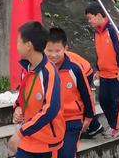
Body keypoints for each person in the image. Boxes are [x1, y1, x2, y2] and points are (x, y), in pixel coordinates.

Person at [9, 21, 65, 158]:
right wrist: (18, 107)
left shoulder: (49, 72)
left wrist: (20, 132)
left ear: (28, 46)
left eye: (18, 42)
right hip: (28, 139)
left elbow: (51, 108)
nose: (16, 46)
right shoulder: (27, 68)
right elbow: (23, 96)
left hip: (46, 143)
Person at [44, 27, 95, 158]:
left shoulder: (75, 68)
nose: (53, 55)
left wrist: (89, 116)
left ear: (65, 48)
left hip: (72, 118)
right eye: (49, 51)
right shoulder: (41, 69)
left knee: (66, 153)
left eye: (57, 51)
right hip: (49, 119)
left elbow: (86, 93)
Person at [85, 2, 119, 139]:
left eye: (90, 18)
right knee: (103, 100)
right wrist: (98, 69)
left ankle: (116, 128)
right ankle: (111, 124)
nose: (89, 21)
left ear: (98, 15)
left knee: (116, 101)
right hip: (104, 73)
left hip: (117, 73)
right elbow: (99, 52)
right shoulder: (97, 33)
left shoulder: (113, 29)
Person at [64, 51, 103, 138]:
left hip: (84, 72)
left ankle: (94, 126)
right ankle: (94, 126)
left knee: (79, 100)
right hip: (82, 70)